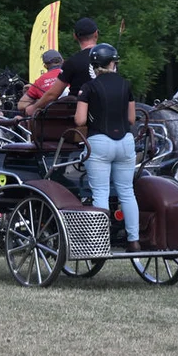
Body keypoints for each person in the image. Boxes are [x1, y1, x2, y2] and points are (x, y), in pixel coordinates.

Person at [74, 43, 139, 252]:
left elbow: (80, 120)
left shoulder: (88, 87)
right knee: (127, 192)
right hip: (126, 143)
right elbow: (130, 118)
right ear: (112, 63)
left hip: (100, 142)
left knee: (100, 192)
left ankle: (100, 241)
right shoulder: (126, 84)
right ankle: (134, 240)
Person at [26, 17, 100, 116]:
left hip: (79, 115)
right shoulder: (110, 60)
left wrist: (34, 107)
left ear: (75, 36)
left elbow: (53, 94)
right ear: (96, 34)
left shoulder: (72, 62)